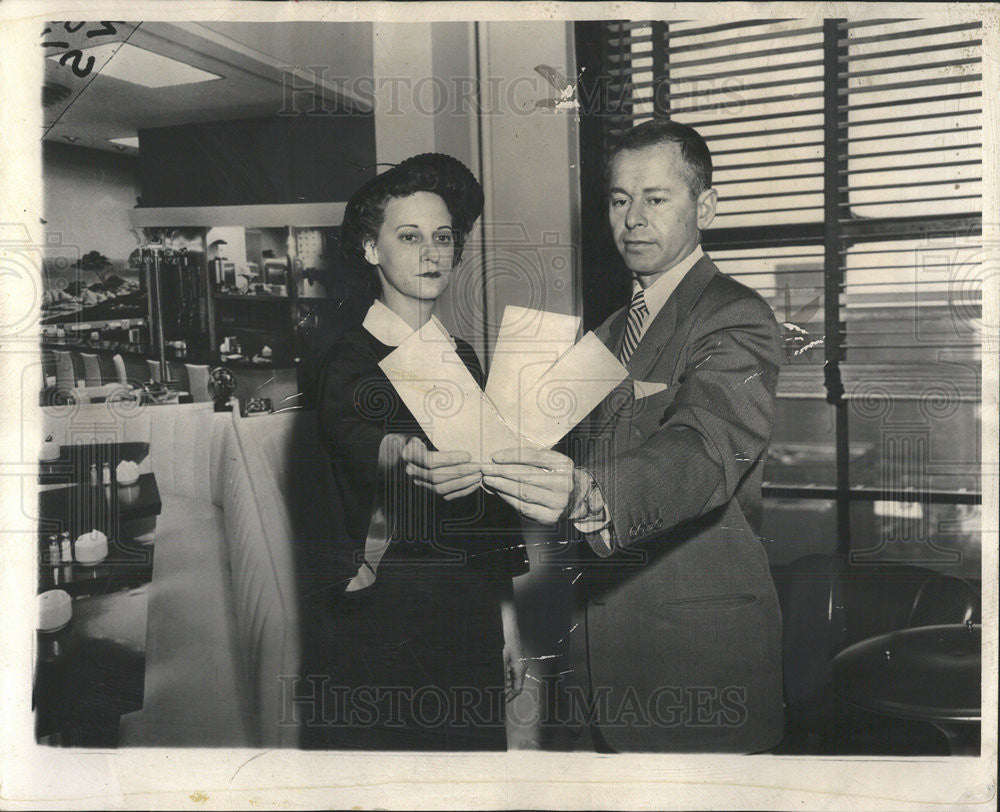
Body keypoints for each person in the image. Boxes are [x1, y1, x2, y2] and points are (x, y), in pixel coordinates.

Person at [482, 120, 785, 752]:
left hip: (696, 662)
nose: (633, 219)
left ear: (705, 206)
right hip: (601, 659)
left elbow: (705, 447)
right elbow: (547, 445)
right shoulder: (614, 328)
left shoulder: (737, 314)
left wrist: (591, 492)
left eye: (656, 198)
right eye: (620, 200)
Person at [313, 154, 528, 750]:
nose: (431, 253)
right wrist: (410, 456)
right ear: (369, 249)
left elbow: (490, 509)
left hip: (471, 608)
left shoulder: (461, 355)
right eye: (408, 237)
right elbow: (359, 441)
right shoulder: (347, 358)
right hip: (387, 614)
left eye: (443, 238)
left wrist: (507, 625)